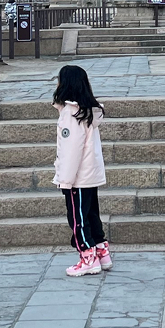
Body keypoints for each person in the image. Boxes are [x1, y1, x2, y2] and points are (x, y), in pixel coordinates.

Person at [52, 63, 109, 276]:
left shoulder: (71, 114)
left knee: (78, 219)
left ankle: (88, 257)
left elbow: (70, 151)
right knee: (91, 215)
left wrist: (64, 179)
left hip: (77, 177)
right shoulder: (87, 112)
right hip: (90, 174)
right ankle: (102, 252)